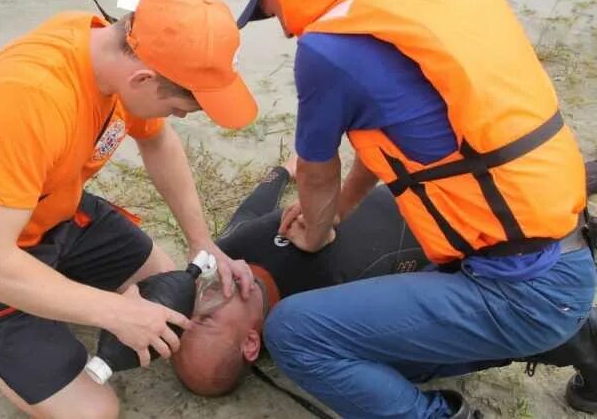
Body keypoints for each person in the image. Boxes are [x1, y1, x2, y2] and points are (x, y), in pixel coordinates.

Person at [235, 0, 595, 418]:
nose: (279, 24)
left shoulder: (327, 47)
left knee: (295, 332)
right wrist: (339, 210)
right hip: (563, 247)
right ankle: (582, 339)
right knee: (384, 351)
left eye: (267, 9)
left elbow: (315, 169)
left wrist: (316, 230)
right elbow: (396, 137)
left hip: (521, 288)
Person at [0, 0, 259, 419]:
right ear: (142, 79)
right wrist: (114, 312)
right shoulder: (30, 100)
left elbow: (158, 142)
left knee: (168, 292)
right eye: (185, 107)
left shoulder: (114, 53)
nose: (181, 117)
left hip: (56, 210)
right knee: (94, 411)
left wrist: (201, 241)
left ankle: (53, 282)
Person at [172, 157, 597, 415]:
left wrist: (280, 172)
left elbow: (252, 211)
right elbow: (440, 309)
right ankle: (584, 341)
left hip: (468, 193)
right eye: (205, 324)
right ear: (250, 345)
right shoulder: (322, 316)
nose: (199, 307)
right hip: (496, 241)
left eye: (188, 320)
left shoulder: (227, 255)